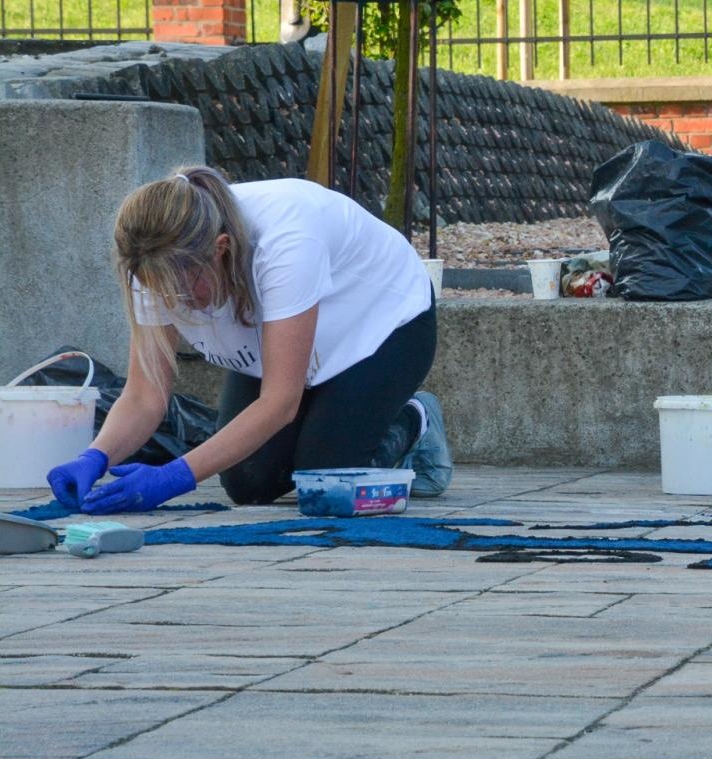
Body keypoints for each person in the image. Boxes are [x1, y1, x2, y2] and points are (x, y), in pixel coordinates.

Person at [44, 167, 452, 514]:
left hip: (381, 324)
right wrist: (95, 457)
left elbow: (280, 402)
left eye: (186, 294)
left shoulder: (287, 242)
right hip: (291, 343)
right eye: (161, 294)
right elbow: (145, 393)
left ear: (220, 249)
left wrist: (174, 477)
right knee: (248, 484)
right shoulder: (150, 259)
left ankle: (412, 419)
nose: (176, 306)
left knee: (326, 478)